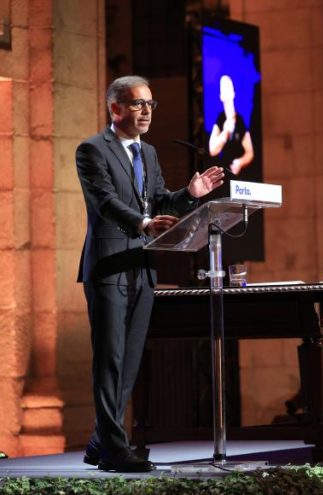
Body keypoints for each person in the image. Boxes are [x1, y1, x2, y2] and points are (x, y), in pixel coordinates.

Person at [76, 76, 224, 472]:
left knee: (130, 360)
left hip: (142, 266)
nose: (146, 111)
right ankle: (112, 448)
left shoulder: (151, 153)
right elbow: (104, 202)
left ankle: (99, 441)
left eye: (150, 104)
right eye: (138, 104)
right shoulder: (92, 150)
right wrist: (143, 224)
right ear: (116, 109)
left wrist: (188, 195)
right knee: (110, 358)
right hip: (109, 267)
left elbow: (159, 199)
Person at [208, 75, 254, 175]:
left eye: (228, 86)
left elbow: (249, 152)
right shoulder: (220, 119)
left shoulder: (240, 120)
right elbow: (212, 150)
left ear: (233, 92)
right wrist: (225, 133)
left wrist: (240, 162)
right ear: (221, 96)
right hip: (222, 174)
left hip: (238, 176)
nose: (226, 91)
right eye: (223, 88)